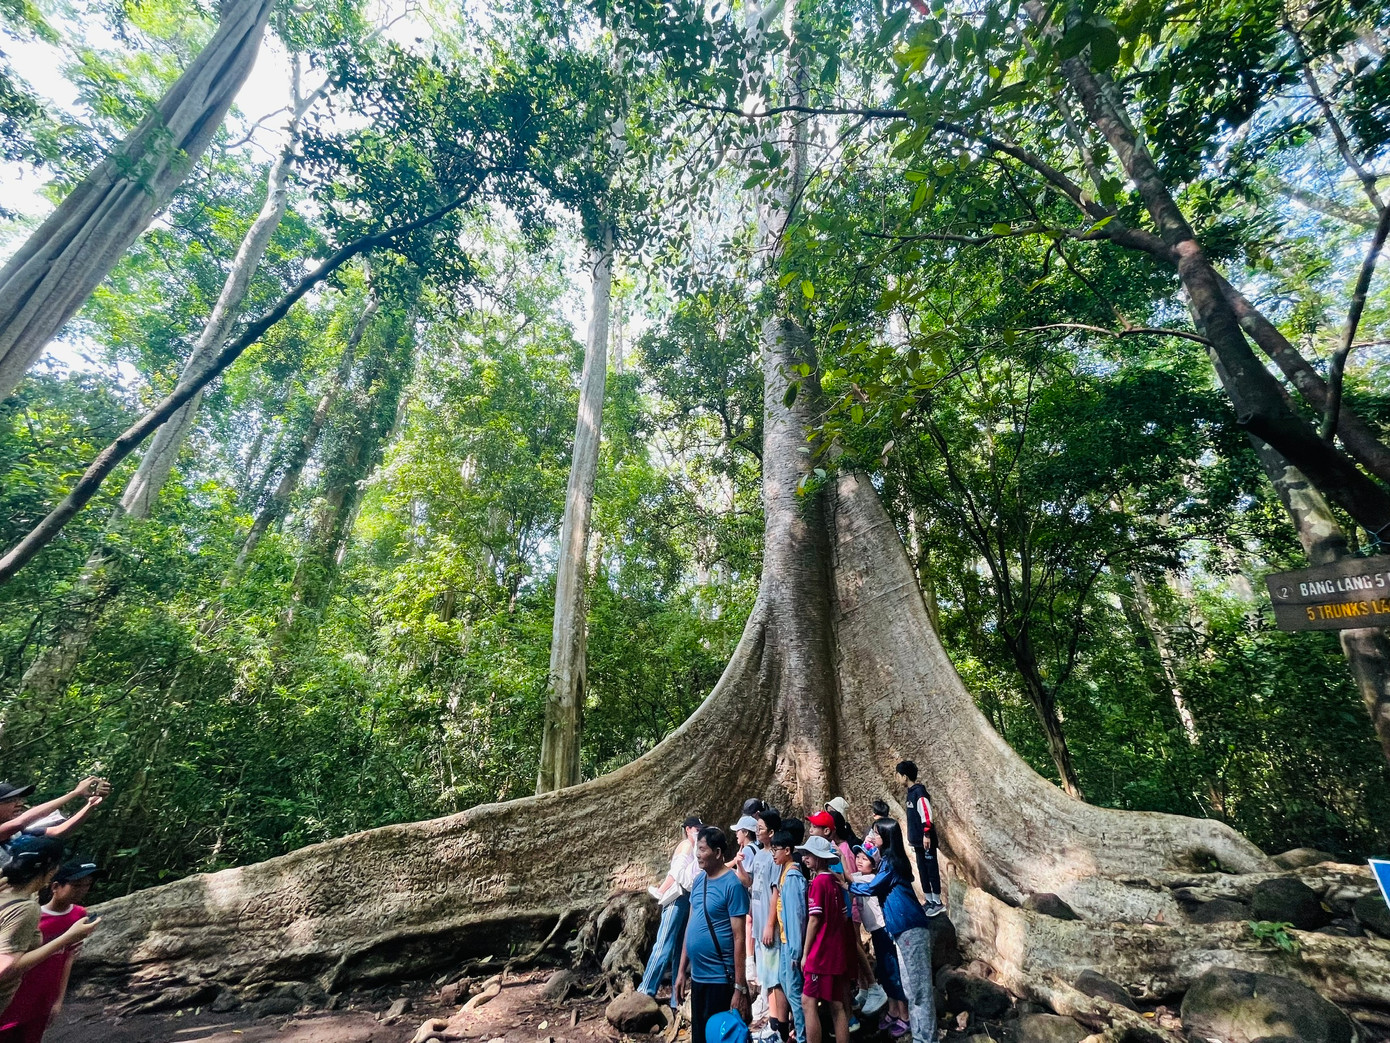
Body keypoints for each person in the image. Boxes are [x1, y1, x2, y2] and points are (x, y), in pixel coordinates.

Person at [848, 819, 937, 1043]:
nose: (872, 835)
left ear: (886, 837)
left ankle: (926, 1038)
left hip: (910, 928)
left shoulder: (891, 864)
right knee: (911, 986)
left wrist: (845, 884)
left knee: (918, 989)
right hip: (903, 929)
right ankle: (920, 1036)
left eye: (876, 833)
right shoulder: (888, 862)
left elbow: (871, 887)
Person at [0, 838, 98, 1034]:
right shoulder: (27, 908)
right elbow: (4, 968)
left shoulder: (9, 892)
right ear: (51, 870)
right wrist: (66, 938)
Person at [676, 827, 750, 1043]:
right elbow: (690, 925)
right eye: (697, 849)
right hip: (698, 978)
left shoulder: (733, 885)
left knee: (720, 1037)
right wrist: (681, 971)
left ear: (717, 853)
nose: (697, 854)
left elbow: (740, 938)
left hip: (720, 980)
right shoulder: (699, 881)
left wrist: (739, 987)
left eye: (702, 849)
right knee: (700, 1037)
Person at [641, 817, 703, 1011]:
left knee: (680, 949)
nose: (698, 831)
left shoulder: (695, 848)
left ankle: (677, 999)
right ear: (687, 829)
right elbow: (676, 873)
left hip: (687, 898)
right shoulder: (685, 845)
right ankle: (645, 990)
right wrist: (661, 890)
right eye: (695, 828)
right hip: (676, 897)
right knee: (664, 944)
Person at [795, 836, 853, 1043]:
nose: (804, 859)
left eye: (808, 855)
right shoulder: (834, 882)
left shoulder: (819, 883)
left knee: (807, 1002)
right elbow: (845, 915)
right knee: (837, 1004)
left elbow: (814, 920)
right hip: (836, 951)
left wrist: (805, 953)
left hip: (820, 953)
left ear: (820, 858)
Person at [851, 846, 908, 1037]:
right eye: (857, 857)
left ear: (874, 864)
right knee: (884, 970)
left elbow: (850, 880)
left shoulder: (872, 879)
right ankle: (893, 1009)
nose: (859, 861)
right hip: (875, 931)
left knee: (893, 970)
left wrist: (841, 859)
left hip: (884, 929)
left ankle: (904, 1014)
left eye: (864, 859)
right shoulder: (862, 876)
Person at [768, 830, 806, 1043]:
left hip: (791, 944)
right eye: (772, 849)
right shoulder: (783, 872)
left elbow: (795, 916)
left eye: (776, 850)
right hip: (784, 942)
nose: (773, 854)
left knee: (794, 992)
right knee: (785, 983)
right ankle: (797, 1031)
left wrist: (795, 952)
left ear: (788, 851)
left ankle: (803, 1036)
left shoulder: (791, 877)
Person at [895, 761, 943, 911]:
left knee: (931, 870)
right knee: (922, 870)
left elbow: (926, 815)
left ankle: (937, 901)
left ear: (905, 776)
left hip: (925, 840)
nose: (896, 778)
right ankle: (928, 900)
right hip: (917, 842)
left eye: (897, 775)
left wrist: (926, 833)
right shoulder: (910, 793)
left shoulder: (919, 793)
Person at [750, 808, 781, 1042]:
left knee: (772, 972)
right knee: (763, 966)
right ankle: (763, 1001)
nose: (756, 831)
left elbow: (775, 894)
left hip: (768, 925)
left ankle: (775, 1022)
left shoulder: (775, 858)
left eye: (760, 828)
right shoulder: (758, 854)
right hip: (758, 921)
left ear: (771, 832)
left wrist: (770, 924)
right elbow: (749, 881)